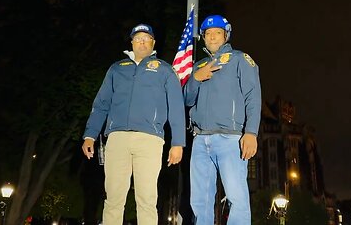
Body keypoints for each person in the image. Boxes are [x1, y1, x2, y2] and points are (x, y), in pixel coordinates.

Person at [81, 23, 186, 225]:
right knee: (113, 198)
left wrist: (177, 143)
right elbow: (101, 103)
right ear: (132, 42)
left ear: (153, 42)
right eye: (138, 38)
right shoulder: (116, 68)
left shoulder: (165, 70)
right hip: (117, 139)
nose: (142, 42)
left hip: (150, 140)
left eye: (146, 38)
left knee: (146, 199)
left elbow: (176, 107)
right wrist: (90, 135)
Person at [184, 15, 261, 224]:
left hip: (231, 139)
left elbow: (253, 96)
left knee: (237, 199)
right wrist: (195, 78)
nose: (212, 37)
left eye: (217, 32)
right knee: (200, 201)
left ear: (226, 35)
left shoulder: (240, 59)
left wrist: (251, 132)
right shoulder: (198, 65)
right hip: (200, 140)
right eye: (208, 34)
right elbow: (187, 99)